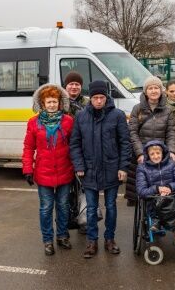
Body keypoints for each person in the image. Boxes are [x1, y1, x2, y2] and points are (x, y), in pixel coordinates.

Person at [70, 80, 131, 259]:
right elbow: (75, 143)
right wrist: (79, 165)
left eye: (101, 97)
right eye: (95, 97)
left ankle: (110, 239)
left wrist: (123, 167)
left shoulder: (118, 115)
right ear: (91, 98)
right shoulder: (81, 116)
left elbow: (124, 143)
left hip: (112, 168)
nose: (98, 101)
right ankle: (91, 241)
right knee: (90, 208)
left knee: (111, 206)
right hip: (89, 170)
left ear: (106, 97)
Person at [22, 83, 75, 256]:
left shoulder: (68, 121)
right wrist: (27, 169)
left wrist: (77, 166)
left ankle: (62, 236)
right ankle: (47, 240)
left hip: (64, 171)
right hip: (44, 173)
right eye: (48, 102)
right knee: (46, 208)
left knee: (63, 206)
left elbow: (75, 146)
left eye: (54, 102)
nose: (52, 105)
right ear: (42, 104)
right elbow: (28, 148)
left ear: (60, 103)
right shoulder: (33, 123)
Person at [126, 76, 175, 206]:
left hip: (160, 155)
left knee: (161, 192)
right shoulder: (137, 109)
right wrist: (139, 153)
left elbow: (171, 132)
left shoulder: (168, 110)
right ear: (145, 91)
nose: (154, 91)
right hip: (142, 155)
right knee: (142, 191)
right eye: (150, 88)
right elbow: (132, 133)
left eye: (156, 88)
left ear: (161, 90)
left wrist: (171, 151)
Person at [136, 140, 175, 232]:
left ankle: (170, 223)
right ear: (147, 155)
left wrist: (169, 187)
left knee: (174, 205)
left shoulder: (171, 164)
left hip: (172, 200)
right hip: (154, 202)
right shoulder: (142, 168)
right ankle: (158, 222)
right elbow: (141, 190)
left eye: (158, 153)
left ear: (163, 153)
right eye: (152, 154)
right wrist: (157, 189)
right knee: (156, 206)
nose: (155, 156)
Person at [63, 71, 90, 234]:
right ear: (66, 86)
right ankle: (65, 222)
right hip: (64, 151)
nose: (74, 87)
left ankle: (83, 220)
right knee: (65, 191)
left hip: (83, 151)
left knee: (83, 188)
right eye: (71, 84)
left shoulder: (87, 102)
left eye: (77, 84)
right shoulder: (60, 103)